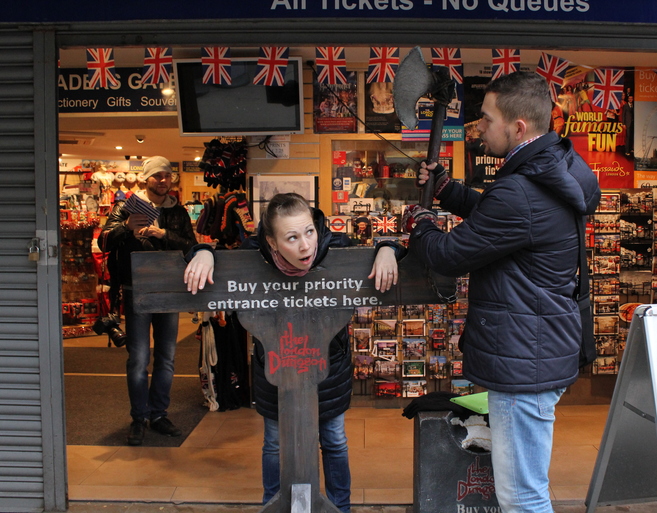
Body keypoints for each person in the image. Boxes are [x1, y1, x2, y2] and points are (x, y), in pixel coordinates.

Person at [400, 72, 600, 513]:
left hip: (524, 365)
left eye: (487, 120)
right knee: (525, 488)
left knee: (522, 496)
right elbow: (504, 220)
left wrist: (421, 222)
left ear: (518, 128)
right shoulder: (554, 168)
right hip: (538, 350)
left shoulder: (521, 190)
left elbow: (450, 254)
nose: (479, 128)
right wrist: (450, 191)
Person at [184, 193, 404, 512]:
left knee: (334, 440)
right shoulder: (253, 256)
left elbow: (385, 251)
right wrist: (204, 252)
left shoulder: (335, 246)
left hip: (329, 368)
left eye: (309, 232)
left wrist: (387, 248)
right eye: (292, 238)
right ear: (272, 242)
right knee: (274, 443)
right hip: (276, 369)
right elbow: (216, 261)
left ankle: (340, 507)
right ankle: (273, 503)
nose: (306, 246)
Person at [98, 156, 197, 446]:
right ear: (145, 179)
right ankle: (138, 417)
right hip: (136, 289)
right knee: (139, 358)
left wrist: (162, 233)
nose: (163, 180)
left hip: (167, 290)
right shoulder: (124, 207)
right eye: (157, 176)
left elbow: (191, 246)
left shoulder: (177, 212)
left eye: (167, 175)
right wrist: (126, 226)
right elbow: (104, 242)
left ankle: (158, 415)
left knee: (166, 357)